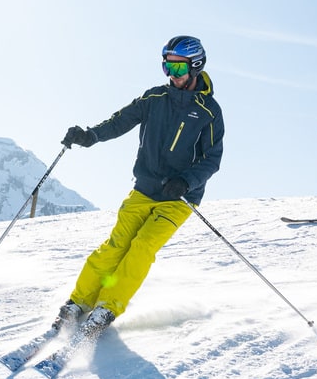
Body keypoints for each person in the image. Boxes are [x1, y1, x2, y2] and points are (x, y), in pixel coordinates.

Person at [54, 35, 225, 340]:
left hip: (179, 198)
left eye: (177, 67)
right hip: (144, 189)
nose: (171, 75)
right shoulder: (153, 99)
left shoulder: (209, 111)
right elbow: (119, 121)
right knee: (115, 246)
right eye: (166, 67)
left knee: (142, 247)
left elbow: (212, 159)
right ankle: (78, 303)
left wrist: (186, 181)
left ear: (195, 65)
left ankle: (108, 307)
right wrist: (89, 135)